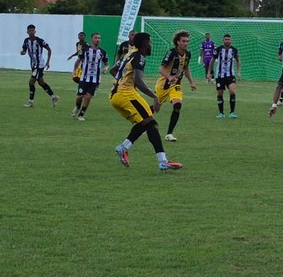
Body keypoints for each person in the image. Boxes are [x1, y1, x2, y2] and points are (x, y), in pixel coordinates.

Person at [110, 32, 183, 171]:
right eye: (150, 42)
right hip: (126, 95)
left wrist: (123, 83)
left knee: (145, 123)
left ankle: (124, 147)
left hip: (115, 96)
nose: (151, 45)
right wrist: (154, 97)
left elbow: (114, 70)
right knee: (151, 123)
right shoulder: (139, 56)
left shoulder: (129, 54)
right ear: (144, 44)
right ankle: (163, 161)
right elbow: (138, 79)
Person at [155, 30, 197, 141]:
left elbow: (186, 69)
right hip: (163, 84)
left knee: (177, 105)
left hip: (176, 84)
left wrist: (191, 82)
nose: (186, 43)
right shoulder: (171, 53)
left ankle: (169, 134)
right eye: (183, 41)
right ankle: (143, 124)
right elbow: (161, 68)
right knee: (155, 107)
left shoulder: (188, 54)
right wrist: (169, 77)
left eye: (187, 41)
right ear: (178, 42)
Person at [70, 32, 109, 121]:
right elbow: (78, 60)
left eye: (99, 38)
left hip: (95, 79)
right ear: (92, 39)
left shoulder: (103, 52)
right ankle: (77, 106)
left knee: (88, 96)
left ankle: (81, 114)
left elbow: (106, 64)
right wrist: (74, 71)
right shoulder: (85, 50)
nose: (97, 39)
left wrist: (105, 68)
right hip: (84, 77)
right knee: (80, 96)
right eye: (95, 38)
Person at [19, 24, 59, 107]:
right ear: (27, 32)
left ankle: (31, 102)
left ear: (35, 31)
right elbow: (24, 50)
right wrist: (22, 52)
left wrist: (48, 62)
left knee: (31, 82)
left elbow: (49, 49)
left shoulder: (40, 40)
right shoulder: (26, 41)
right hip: (33, 65)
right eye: (30, 31)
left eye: (32, 30)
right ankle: (53, 96)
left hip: (39, 64)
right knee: (41, 82)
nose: (31, 32)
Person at [210, 34, 241, 118]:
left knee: (232, 91)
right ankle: (221, 113)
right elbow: (212, 60)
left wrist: (238, 72)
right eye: (226, 39)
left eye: (228, 39)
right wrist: (209, 72)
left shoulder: (234, 50)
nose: (227, 41)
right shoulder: (218, 50)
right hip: (220, 75)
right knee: (220, 93)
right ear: (223, 40)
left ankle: (232, 112)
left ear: (231, 40)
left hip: (230, 75)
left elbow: (238, 60)